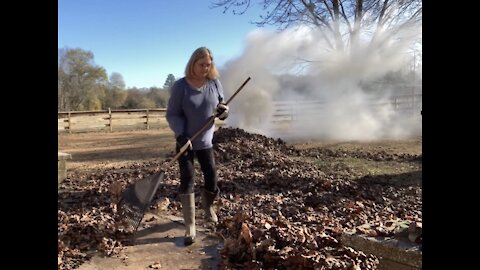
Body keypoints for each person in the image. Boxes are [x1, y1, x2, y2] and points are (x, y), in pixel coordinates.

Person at [166, 47, 229, 245]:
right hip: (185, 142)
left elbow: (222, 106)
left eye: (208, 64)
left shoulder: (214, 83)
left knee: (211, 176)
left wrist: (223, 111)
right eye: (201, 64)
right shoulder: (180, 87)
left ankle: (208, 207)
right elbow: (172, 114)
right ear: (192, 64)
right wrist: (181, 134)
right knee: (188, 178)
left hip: (206, 141)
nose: (205, 68)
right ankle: (190, 225)